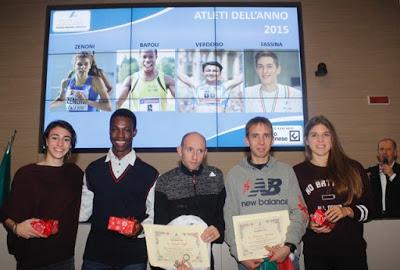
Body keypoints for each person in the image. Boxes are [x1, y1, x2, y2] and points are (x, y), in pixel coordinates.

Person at [79, 108, 159, 270]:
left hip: (133, 258)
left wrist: (140, 228)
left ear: (134, 132)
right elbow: (83, 212)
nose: (120, 135)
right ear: (109, 131)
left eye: (126, 130)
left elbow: (152, 215)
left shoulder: (150, 173)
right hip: (96, 256)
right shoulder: (93, 170)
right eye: (115, 129)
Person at [224, 116, 307, 270]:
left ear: (273, 140)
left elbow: (300, 212)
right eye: (255, 136)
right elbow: (229, 219)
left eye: (266, 136)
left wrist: (288, 245)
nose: (261, 142)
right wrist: (240, 254)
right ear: (246, 141)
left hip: (285, 257)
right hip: (250, 259)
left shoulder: (286, 171)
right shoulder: (234, 175)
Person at [293, 115, 374, 270]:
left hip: (352, 253)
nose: (320, 140)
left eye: (326, 134)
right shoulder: (296, 173)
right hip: (316, 254)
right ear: (306, 141)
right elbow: (292, 214)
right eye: (314, 135)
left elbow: (370, 210)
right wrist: (308, 224)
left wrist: (347, 210)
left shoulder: (354, 168)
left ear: (333, 139)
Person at [0, 120, 83, 270]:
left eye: (66, 139)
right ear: (45, 141)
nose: (60, 144)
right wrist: (16, 229)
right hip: (32, 259)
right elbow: (6, 214)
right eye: (54, 137)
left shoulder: (75, 173)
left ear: (71, 145)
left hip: (64, 259)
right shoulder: (26, 174)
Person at [154, 132, 226, 270]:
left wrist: (218, 230)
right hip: (174, 262)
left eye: (200, 151)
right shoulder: (165, 181)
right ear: (180, 151)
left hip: (204, 260)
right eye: (190, 150)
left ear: (205, 153)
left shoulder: (216, 177)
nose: (195, 156)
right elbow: (160, 229)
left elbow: (221, 218)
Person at [178, 61, 243, 113]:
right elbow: (179, 74)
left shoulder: (225, 86)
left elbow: (241, 78)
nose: (211, 73)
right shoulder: (196, 85)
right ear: (203, 72)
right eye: (208, 71)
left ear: (220, 73)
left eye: (215, 71)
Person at [366, 138, 400, 218]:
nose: (384, 152)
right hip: (375, 219)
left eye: (388, 149)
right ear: (378, 153)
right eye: (381, 149)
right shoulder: (369, 172)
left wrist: (392, 176)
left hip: (397, 219)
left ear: (395, 153)